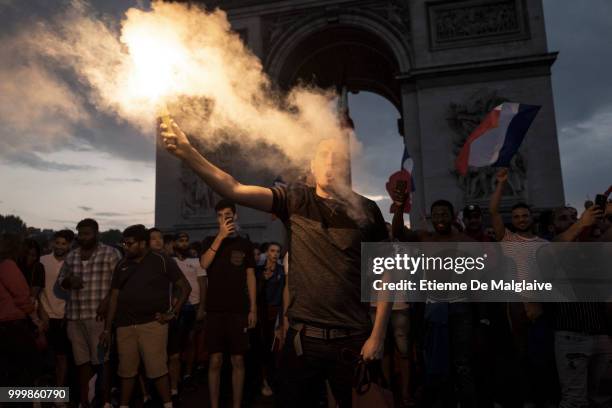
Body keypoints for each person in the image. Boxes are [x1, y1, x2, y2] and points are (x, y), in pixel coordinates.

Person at [159, 119, 391, 408]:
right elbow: (234, 189)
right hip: (303, 341)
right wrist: (187, 152)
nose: (330, 163)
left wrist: (378, 335)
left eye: (337, 158)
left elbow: (387, 273)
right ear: (312, 165)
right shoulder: (294, 200)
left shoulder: (368, 210)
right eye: (323, 156)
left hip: (352, 339)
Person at [392, 194, 478, 408]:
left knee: (462, 362)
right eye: (436, 214)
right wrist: (400, 206)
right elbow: (398, 233)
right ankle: (443, 401)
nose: (440, 218)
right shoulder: (425, 238)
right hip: (433, 307)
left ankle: (467, 402)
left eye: (444, 214)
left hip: (460, 306)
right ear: (431, 218)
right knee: (436, 361)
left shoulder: (465, 241)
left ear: (452, 216)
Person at [100, 225, 191, 408]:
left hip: (152, 325)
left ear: (142, 244)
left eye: (130, 243)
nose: (125, 246)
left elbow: (185, 288)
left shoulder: (161, 260)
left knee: (157, 371)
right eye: (124, 243)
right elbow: (115, 297)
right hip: (124, 326)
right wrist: (108, 329)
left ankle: (167, 404)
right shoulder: (122, 264)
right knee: (126, 372)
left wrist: (171, 314)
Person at [489, 168, 555, 407]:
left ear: (531, 218)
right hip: (516, 305)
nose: (521, 220)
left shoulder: (544, 243)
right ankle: (525, 399)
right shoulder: (507, 240)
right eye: (516, 217)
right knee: (520, 355)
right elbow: (493, 211)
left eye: (524, 216)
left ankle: (543, 398)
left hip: (542, 305)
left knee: (542, 356)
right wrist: (500, 184)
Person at [550, 204, 612, 408]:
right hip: (572, 335)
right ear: (552, 226)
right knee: (575, 401)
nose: (571, 220)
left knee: (603, 399)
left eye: (574, 216)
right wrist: (580, 225)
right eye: (564, 218)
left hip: (602, 334)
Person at [200, 199, 257, 408]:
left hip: (239, 310)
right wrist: (220, 237)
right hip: (214, 310)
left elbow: (251, 276)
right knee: (215, 360)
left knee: (238, 360)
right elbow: (205, 263)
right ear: (217, 219)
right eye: (221, 215)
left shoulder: (245, 244)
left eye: (228, 215)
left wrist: (253, 308)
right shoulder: (209, 240)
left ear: (236, 216)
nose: (225, 218)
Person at [58, 218, 120, 408]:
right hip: (75, 317)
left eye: (87, 234)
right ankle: (85, 400)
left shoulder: (110, 253)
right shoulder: (72, 256)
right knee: (81, 362)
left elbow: (119, 283)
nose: (82, 237)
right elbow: (62, 281)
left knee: (103, 362)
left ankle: (105, 401)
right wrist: (70, 282)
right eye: (80, 234)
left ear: (96, 234)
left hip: (98, 317)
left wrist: (107, 301)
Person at [0, 233, 43, 387]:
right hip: (13, 325)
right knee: (23, 374)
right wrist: (36, 321)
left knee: (6, 375)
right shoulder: (7, 265)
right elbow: (22, 296)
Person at [149, 228, 184, 404]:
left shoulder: (168, 261)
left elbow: (181, 286)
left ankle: (174, 388)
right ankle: (153, 393)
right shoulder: (142, 262)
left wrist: (173, 311)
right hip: (149, 319)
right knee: (156, 359)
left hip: (168, 316)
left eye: (160, 238)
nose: (158, 241)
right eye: (153, 238)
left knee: (174, 356)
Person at [39, 230, 74, 395]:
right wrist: (41, 312)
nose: (60, 246)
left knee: (62, 357)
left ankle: (59, 395)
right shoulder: (43, 261)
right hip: (44, 315)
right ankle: (36, 396)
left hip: (63, 317)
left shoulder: (73, 262)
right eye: (57, 243)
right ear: (53, 243)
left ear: (69, 245)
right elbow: (36, 289)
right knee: (41, 358)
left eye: (64, 243)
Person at [173, 231, 207, 390]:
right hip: (176, 307)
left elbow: (203, 285)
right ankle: (176, 374)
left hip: (193, 306)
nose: (184, 243)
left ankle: (187, 373)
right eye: (181, 240)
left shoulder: (196, 261)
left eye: (187, 240)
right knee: (176, 343)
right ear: (174, 243)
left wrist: (201, 308)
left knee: (190, 341)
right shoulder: (170, 261)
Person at [255, 241, 284, 397]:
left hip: (277, 313)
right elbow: (255, 294)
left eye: (278, 251)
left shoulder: (282, 270)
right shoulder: (259, 271)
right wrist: (263, 279)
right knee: (263, 348)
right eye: (272, 251)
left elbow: (283, 295)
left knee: (276, 349)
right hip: (262, 314)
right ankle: (264, 380)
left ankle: (276, 381)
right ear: (267, 253)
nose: (275, 254)